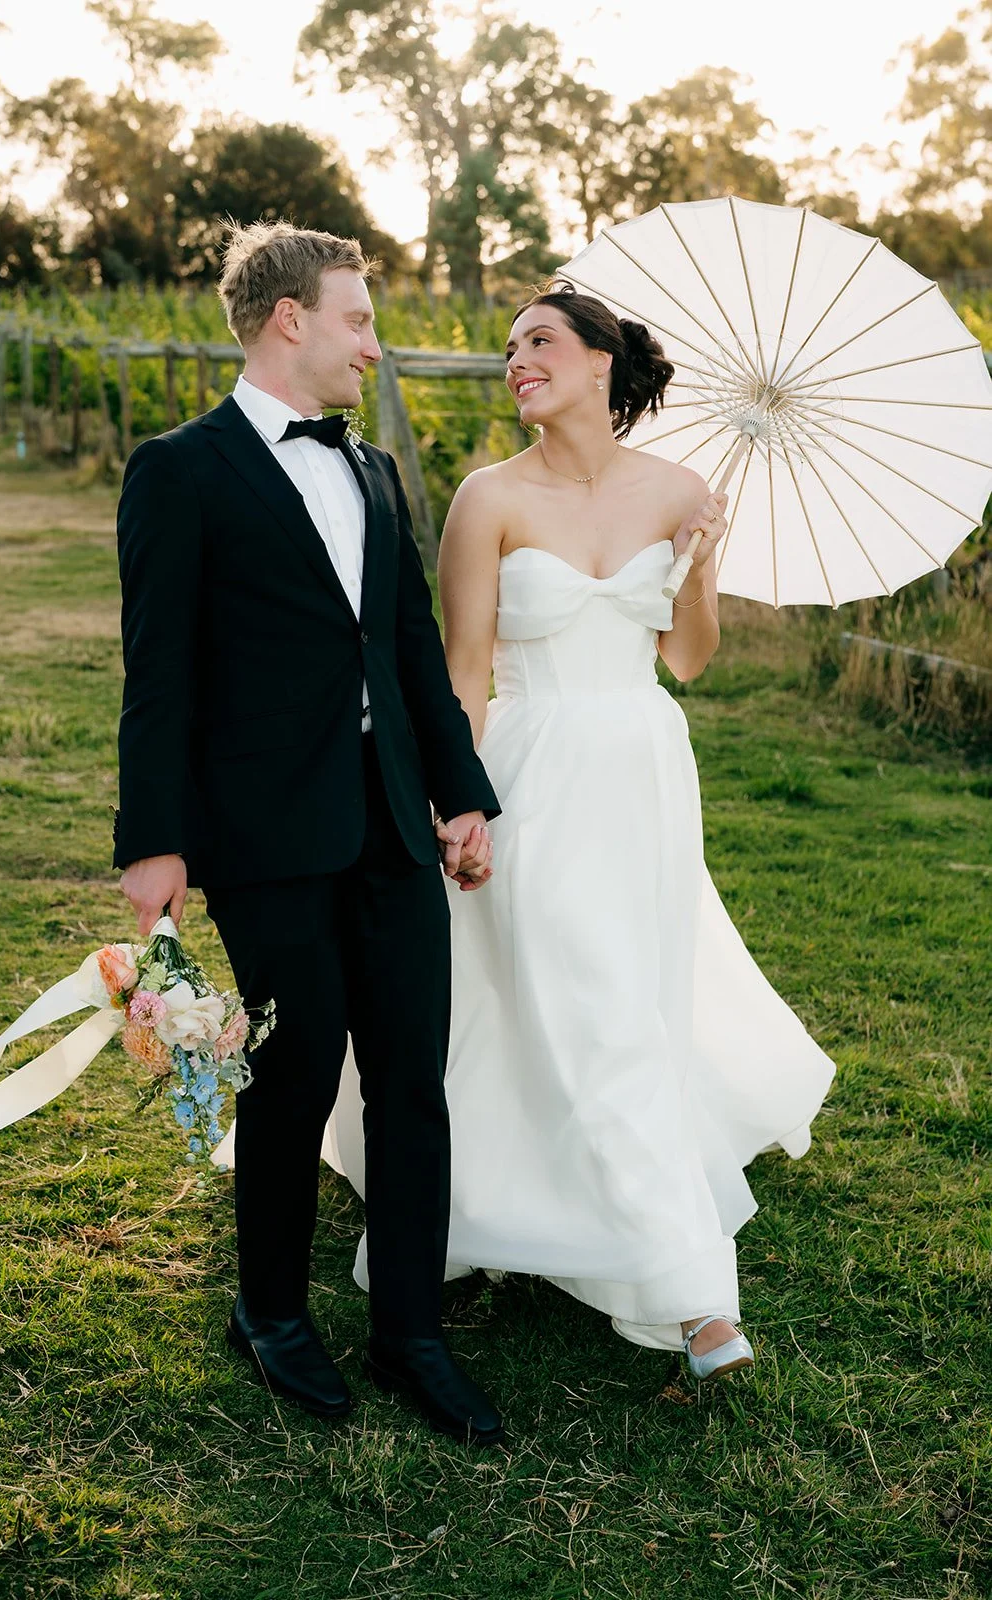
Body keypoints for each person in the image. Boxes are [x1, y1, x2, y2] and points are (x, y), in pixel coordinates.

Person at [326, 281, 835, 1379]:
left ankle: (539, 1199)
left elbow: (686, 659)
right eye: (508, 347)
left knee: (622, 998)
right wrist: (456, 800)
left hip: (645, 771)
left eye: (539, 341)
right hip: (533, 765)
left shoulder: (682, 489)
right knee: (585, 995)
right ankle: (691, 1296)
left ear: (602, 363)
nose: (516, 360)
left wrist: (699, 561)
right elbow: (464, 671)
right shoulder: (486, 498)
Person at [112, 221, 503, 1443]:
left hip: (391, 823)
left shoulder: (379, 471)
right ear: (290, 317)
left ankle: (409, 1333)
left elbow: (408, 655)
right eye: (358, 317)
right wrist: (154, 842)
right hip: (264, 831)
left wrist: (462, 790)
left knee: (411, 1078)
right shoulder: (179, 471)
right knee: (294, 1067)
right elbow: (157, 672)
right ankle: (270, 1311)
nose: (369, 342)